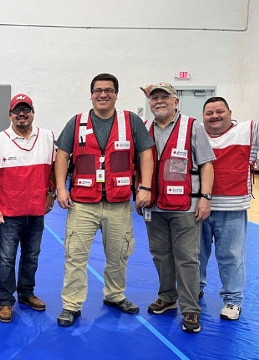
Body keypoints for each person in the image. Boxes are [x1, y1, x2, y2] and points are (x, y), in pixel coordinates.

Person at [55, 73, 154, 327]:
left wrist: (145, 186)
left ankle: (114, 295)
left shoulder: (130, 121)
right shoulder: (76, 122)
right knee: (75, 255)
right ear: (91, 94)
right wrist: (60, 188)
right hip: (82, 205)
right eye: (98, 90)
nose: (103, 94)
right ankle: (71, 305)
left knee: (119, 254)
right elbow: (63, 155)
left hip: (119, 203)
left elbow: (145, 154)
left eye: (108, 90)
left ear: (116, 94)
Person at [139, 83, 215, 333]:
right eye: (154, 98)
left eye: (164, 97)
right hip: (154, 207)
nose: (159, 102)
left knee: (187, 259)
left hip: (186, 206)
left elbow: (206, 164)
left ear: (176, 101)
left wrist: (205, 197)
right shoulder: (144, 128)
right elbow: (138, 166)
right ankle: (168, 297)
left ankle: (191, 309)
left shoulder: (193, 126)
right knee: (160, 255)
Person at [0, 94, 55, 323]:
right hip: (9, 213)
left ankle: (26, 294)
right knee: (6, 258)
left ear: (33, 113)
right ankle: (5, 301)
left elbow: (55, 169)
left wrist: (51, 193)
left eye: (26, 109)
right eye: (17, 110)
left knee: (31, 255)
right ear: (10, 115)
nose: (22, 114)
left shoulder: (47, 137)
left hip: (36, 211)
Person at [199, 96, 259, 321]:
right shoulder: (196, 133)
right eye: (209, 113)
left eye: (219, 111)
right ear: (202, 116)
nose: (214, 116)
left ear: (230, 112)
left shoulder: (249, 131)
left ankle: (233, 300)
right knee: (195, 254)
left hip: (232, 207)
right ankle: (195, 288)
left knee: (231, 256)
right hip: (199, 206)